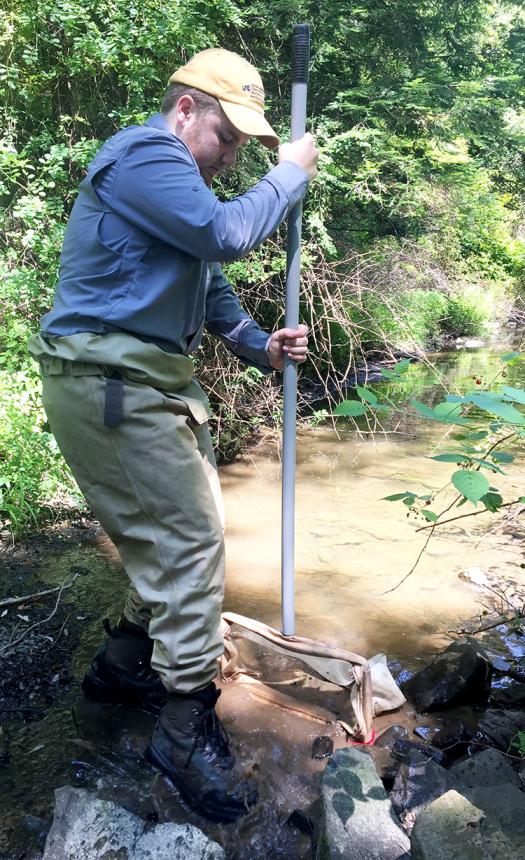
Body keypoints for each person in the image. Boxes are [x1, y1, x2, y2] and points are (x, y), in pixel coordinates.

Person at [29, 47, 318, 822]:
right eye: (226, 137)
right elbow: (223, 236)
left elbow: (209, 280)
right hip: (110, 386)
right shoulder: (144, 154)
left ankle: (125, 666)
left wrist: (258, 343)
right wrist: (288, 172)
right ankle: (184, 730)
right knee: (191, 543)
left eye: (243, 149)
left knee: (177, 540)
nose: (230, 157)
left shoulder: (179, 182)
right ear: (186, 107)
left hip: (141, 385)